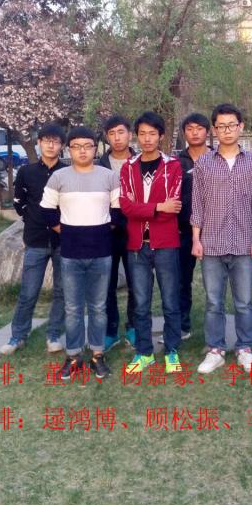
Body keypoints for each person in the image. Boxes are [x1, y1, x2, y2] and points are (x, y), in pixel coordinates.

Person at [192, 104, 252, 374]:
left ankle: (245, 348)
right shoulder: (203, 163)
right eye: (221, 126)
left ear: (240, 127)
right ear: (214, 129)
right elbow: (197, 205)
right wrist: (196, 239)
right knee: (214, 302)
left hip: (244, 243)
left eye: (231, 125)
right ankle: (216, 349)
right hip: (211, 243)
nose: (227, 130)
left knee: (244, 301)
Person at [40, 127, 120, 382]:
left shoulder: (108, 176)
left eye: (88, 146)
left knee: (98, 307)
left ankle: (97, 354)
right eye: (76, 146)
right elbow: (47, 210)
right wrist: (65, 231)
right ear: (69, 149)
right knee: (73, 308)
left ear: (96, 148)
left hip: (101, 252)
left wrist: (102, 231)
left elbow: (118, 211)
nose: (82, 151)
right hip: (71, 253)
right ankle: (73, 355)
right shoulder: (59, 177)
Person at [120, 112, 185, 374]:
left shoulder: (173, 166)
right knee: (141, 303)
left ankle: (171, 350)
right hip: (137, 244)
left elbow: (174, 208)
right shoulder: (128, 167)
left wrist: (145, 208)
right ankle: (144, 352)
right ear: (136, 136)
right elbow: (126, 207)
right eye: (142, 134)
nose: (147, 139)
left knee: (170, 300)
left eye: (152, 134)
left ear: (161, 136)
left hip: (166, 242)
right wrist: (158, 206)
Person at [0, 123, 67, 355]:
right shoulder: (26, 172)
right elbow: (19, 204)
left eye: (55, 141)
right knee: (29, 291)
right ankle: (17, 336)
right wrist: (33, 218)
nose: (51, 145)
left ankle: (54, 334)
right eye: (46, 140)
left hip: (63, 240)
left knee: (61, 291)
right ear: (39, 143)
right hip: (35, 239)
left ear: (61, 145)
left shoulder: (67, 172)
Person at [97, 115, 137, 351]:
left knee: (136, 282)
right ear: (107, 137)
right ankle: (110, 330)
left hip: (135, 230)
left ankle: (134, 327)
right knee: (107, 283)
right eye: (112, 134)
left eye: (121, 132)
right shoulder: (99, 165)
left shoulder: (140, 161)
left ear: (129, 134)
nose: (117, 138)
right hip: (107, 232)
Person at [176, 112, 212, 341]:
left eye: (199, 128)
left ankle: (215, 330)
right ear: (184, 133)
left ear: (207, 131)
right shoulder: (176, 163)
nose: (195, 133)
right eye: (190, 129)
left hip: (214, 229)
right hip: (184, 230)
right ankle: (182, 326)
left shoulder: (218, 158)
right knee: (181, 281)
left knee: (215, 283)